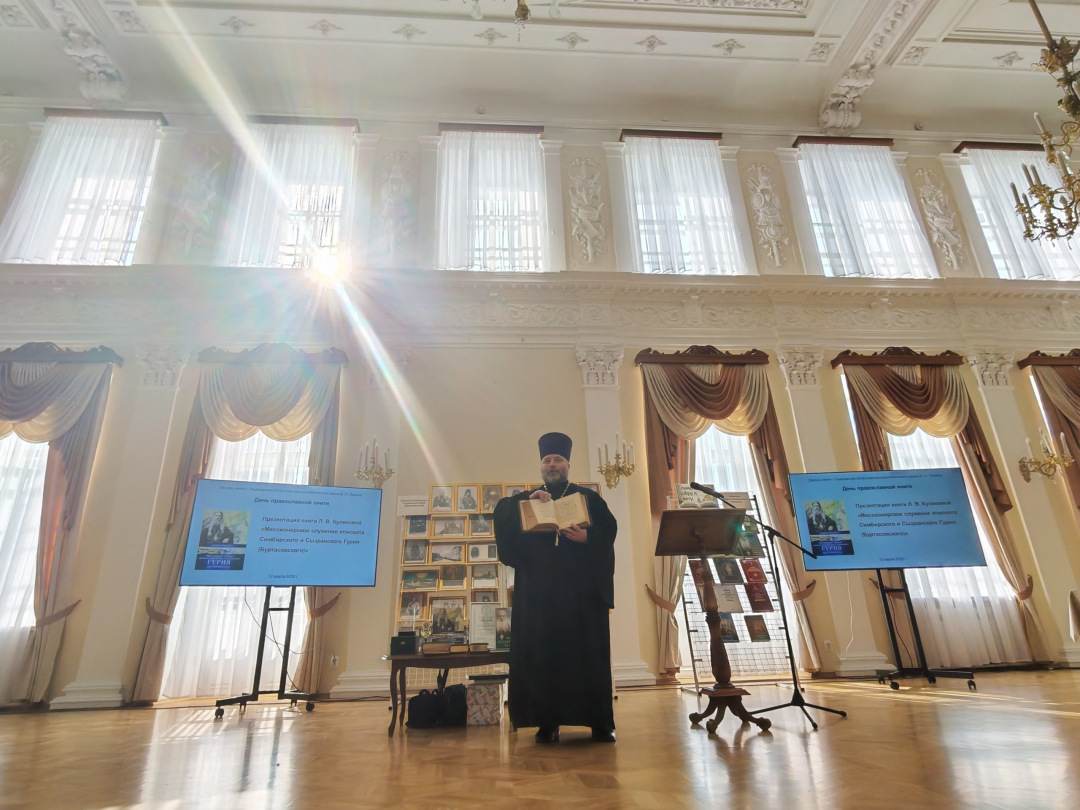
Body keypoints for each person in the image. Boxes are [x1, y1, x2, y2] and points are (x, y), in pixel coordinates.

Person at [493, 432, 617, 744]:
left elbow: (609, 530)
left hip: (581, 596)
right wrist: (524, 502)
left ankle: (599, 724)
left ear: (568, 465)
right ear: (541, 466)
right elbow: (502, 515)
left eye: (557, 460)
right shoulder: (529, 498)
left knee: (589, 657)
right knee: (543, 657)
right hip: (541, 594)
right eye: (547, 460)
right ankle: (547, 723)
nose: (552, 464)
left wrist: (588, 538)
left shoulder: (587, 498)